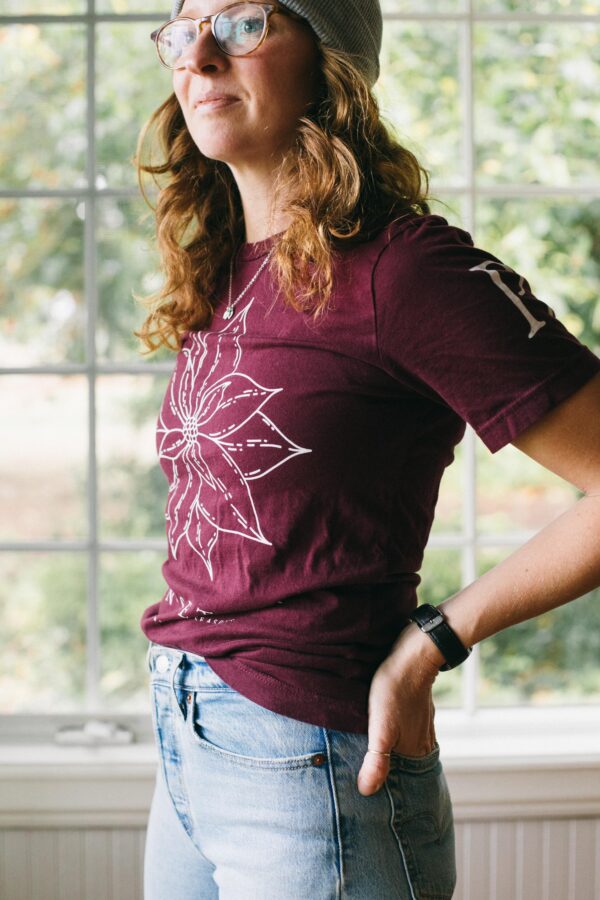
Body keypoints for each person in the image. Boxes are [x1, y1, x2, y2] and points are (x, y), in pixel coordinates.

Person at [134, 1, 600, 897]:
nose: (195, 52)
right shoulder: (226, 262)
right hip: (188, 740)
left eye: (240, 23)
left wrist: (434, 642)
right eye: (180, 26)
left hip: (312, 765)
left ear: (331, 56)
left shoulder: (406, 268)